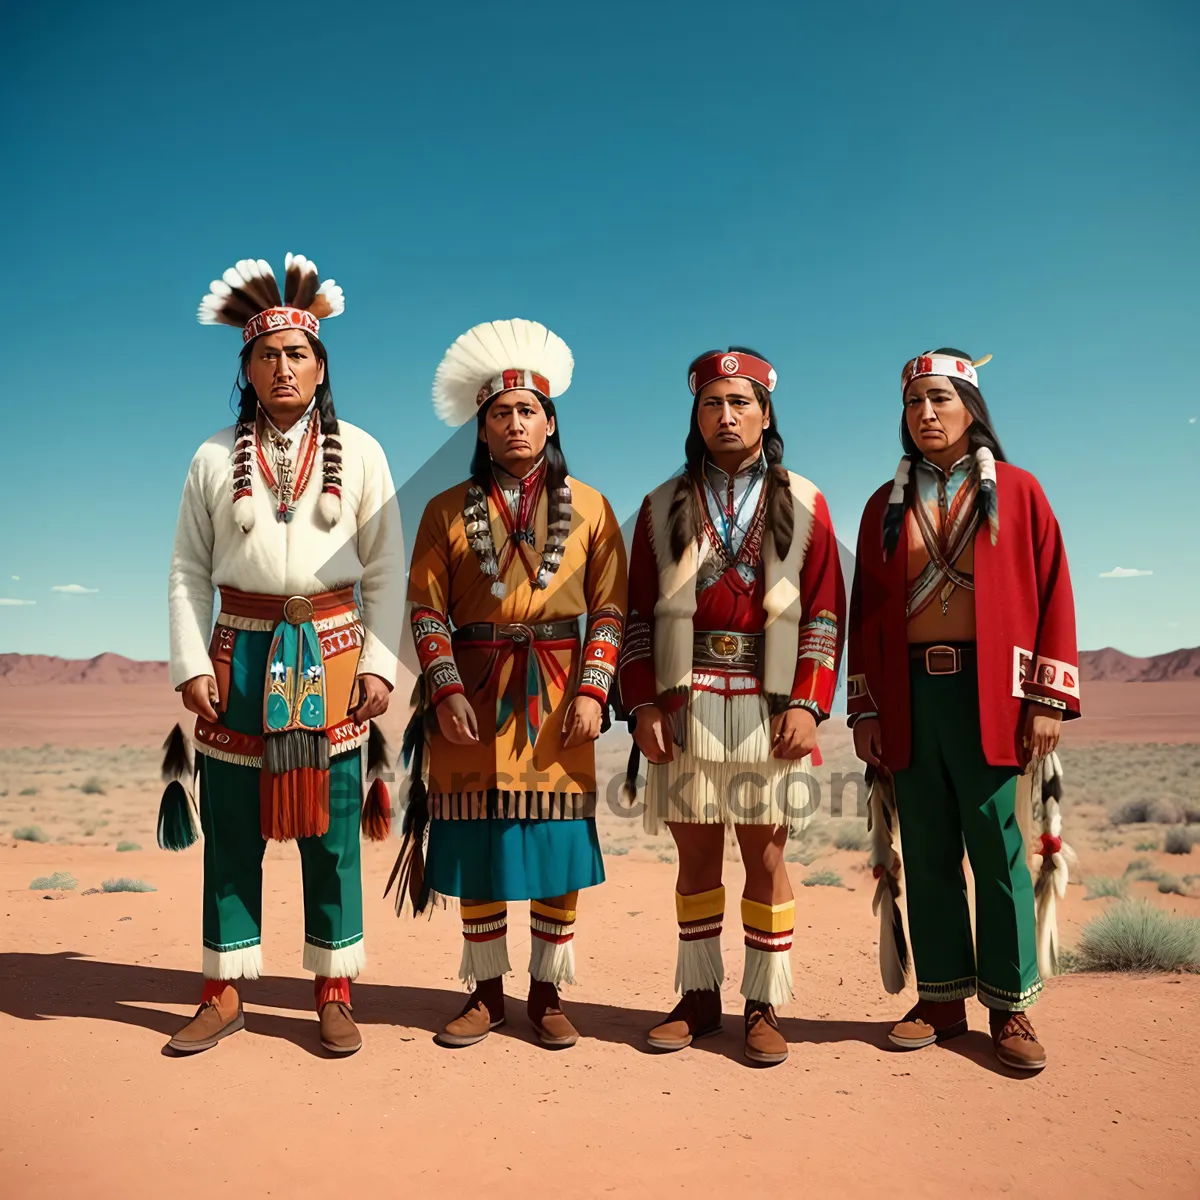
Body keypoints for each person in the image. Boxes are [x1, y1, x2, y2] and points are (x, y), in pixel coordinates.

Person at [163, 254, 404, 1056]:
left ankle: (333, 989)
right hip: (239, 653)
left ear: (321, 363)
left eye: (297, 354)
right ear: (247, 368)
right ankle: (224, 988)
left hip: (332, 652)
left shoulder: (362, 452)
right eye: (266, 356)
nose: (282, 367)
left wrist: (377, 661)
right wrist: (192, 663)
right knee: (232, 825)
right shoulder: (208, 458)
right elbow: (188, 572)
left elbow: (386, 569)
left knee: (332, 830)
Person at [393, 319, 627, 1049]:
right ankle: (487, 994)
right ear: (482, 427)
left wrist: (594, 690)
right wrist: (442, 687)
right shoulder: (442, 510)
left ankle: (548, 994)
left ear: (550, 422)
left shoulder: (590, 506)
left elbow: (614, 606)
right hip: (470, 693)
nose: (516, 423)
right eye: (501, 413)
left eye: (529, 411)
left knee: (554, 839)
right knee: (479, 840)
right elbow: (425, 604)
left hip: (559, 695)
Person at [848, 349, 1080, 1071]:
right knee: (925, 846)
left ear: (971, 409)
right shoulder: (882, 505)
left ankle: (1009, 1008)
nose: (925, 415)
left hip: (994, 696)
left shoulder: (1019, 491)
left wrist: (1046, 698)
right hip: (912, 694)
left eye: (939, 400)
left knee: (996, 845)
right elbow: (867, 616)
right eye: (914, 403)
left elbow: (1054, 594)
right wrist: (867, 711)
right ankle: (942, 999)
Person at [617, 347, 844, 1066]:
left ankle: (763, 1003)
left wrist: (809, 703)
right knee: (695, 857)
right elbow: (637, 620)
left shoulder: (806, 502)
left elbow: (825, 616)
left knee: (766, 853)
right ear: (696, 414)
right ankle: (698, 998)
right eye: (712, 403)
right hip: (686, 705)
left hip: (768, 703)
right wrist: (643, 705)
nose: (726, 415)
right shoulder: (658, 506)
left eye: (740, 401)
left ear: (766, 413)